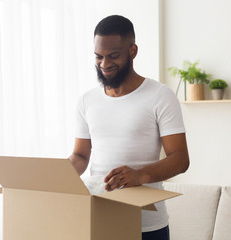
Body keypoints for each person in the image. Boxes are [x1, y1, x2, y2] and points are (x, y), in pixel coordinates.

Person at [69, 15, 189, 240]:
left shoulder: (160, 95)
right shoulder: (86, 101)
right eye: (98, 57)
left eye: (113, 56)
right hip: (100, 219)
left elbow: (181, 159)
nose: (104, 64)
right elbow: (80, 155)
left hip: (147, 226)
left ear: (132, 51)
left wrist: (140, 175)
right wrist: (57, 176)